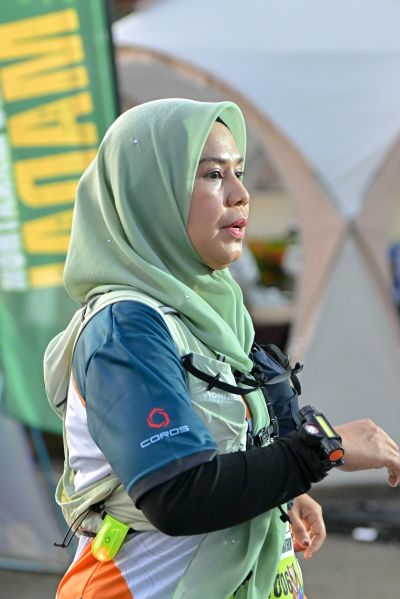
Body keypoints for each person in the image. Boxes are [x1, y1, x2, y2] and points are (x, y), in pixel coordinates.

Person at [44, 99, 400, 599]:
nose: (241, 194)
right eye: (213, 175)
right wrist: (323, 445)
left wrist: (280, 492)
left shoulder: (213, 310)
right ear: (152, 194)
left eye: (239, 172)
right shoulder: (126, 328)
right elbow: (177, 494)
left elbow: (231, 440)